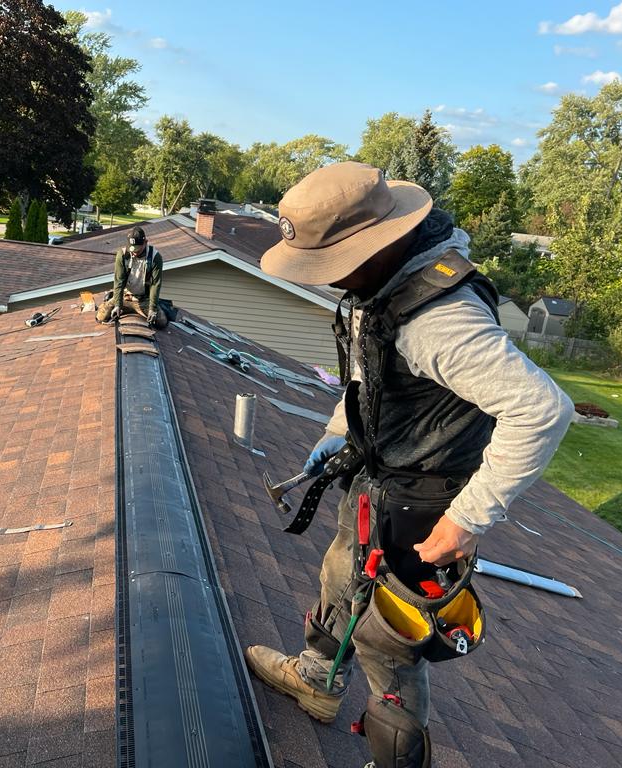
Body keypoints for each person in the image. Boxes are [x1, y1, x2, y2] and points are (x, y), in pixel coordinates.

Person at [243, 162, 573, 768]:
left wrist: (467, 519)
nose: (327, 278)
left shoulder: (439, 321)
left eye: (332, 263)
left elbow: (543, 410)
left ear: (377, 243)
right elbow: (370, 375)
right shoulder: (387, 285)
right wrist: (339, 430)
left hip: (423, 505)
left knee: (388, 638)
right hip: (380, 477)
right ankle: (317, 677)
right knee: (340, 576)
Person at [95, 226, 168, 328]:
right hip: (125, 296)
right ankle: (120, 306)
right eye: (132, 249)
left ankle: (139, 310)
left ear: (145, 242)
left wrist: (152, 309)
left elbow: (155, 284)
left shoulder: (155, 257)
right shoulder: (122, 255)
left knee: (161, 322)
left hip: (143, 300)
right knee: (101, 317)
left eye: (137, 250)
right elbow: (119, 282)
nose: (134, 253)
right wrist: (118, 305)